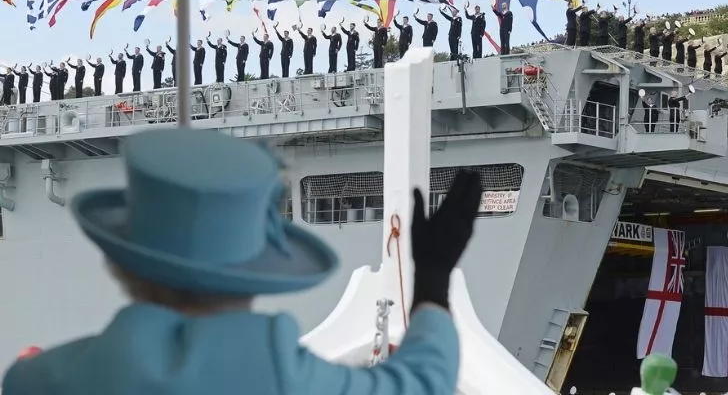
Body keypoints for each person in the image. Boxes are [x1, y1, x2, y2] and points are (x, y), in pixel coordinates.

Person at [0, 128, 482, 395]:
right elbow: (421, 382)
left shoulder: (34, 380)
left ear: (119, 263)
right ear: (262, 269)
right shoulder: (276, 372)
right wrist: (433, 275)